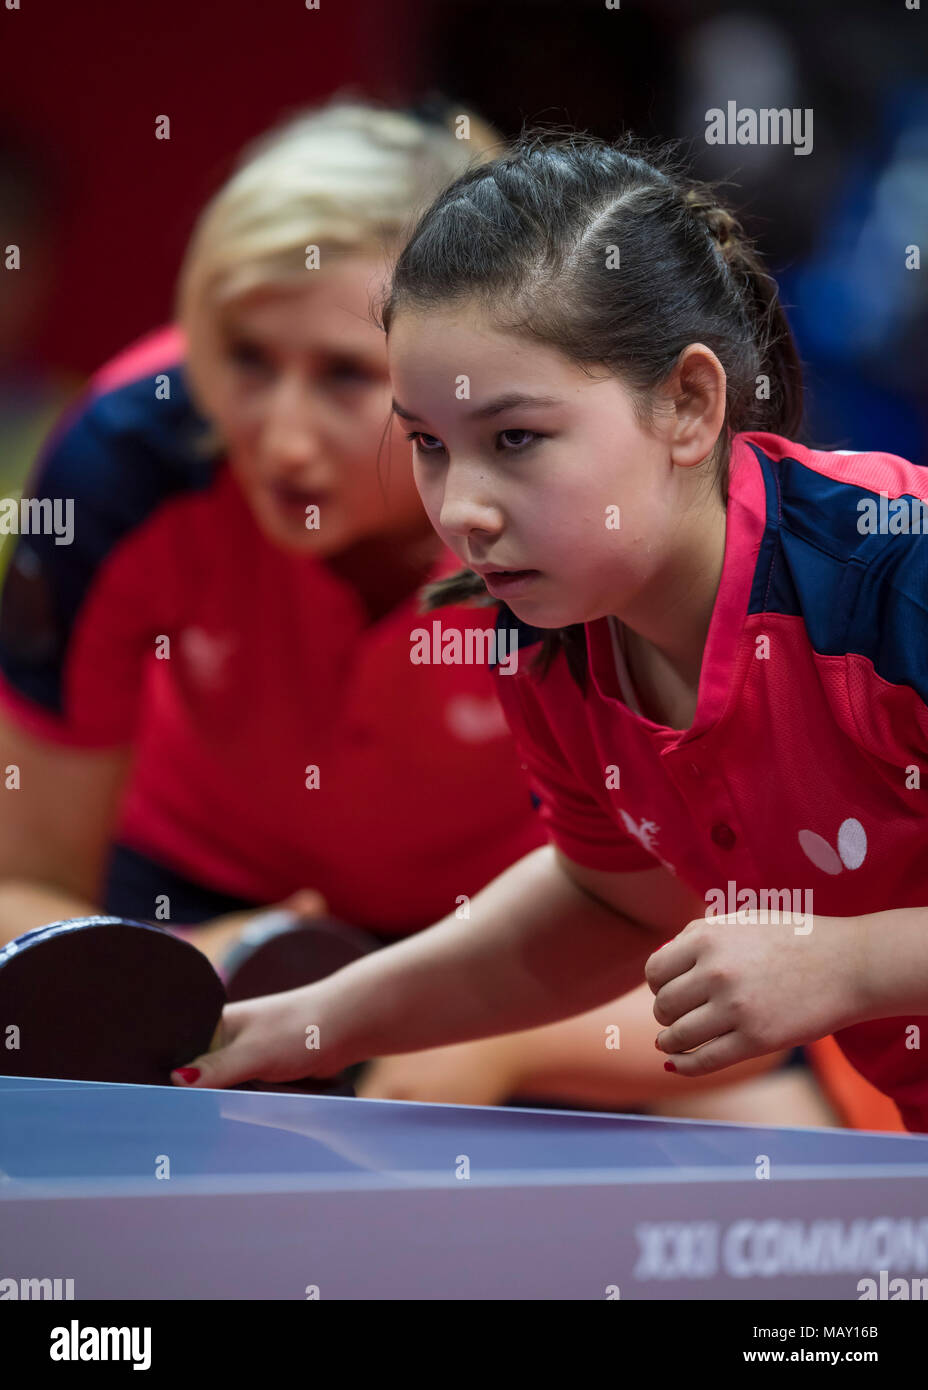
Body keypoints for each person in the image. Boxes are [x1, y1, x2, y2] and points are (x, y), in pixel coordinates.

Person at [0, 100, 836, 1124]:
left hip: (534, 954)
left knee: (778, 1134)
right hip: (200, 919)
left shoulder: (598, 524)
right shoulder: (126, 460)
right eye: (244, 358)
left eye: (346, 375)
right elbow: (24, 887)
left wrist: (500, 1048)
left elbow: (738, 967)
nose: (283, 439)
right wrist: (176, 966)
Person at [172, 127, 928, 1134]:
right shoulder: (549, 642)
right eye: (432, 446)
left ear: (688, 405)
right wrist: (310, 1022)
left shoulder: (895, 573)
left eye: (515, 438)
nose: (464, 509)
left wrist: (851, 960)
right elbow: (611, 902)